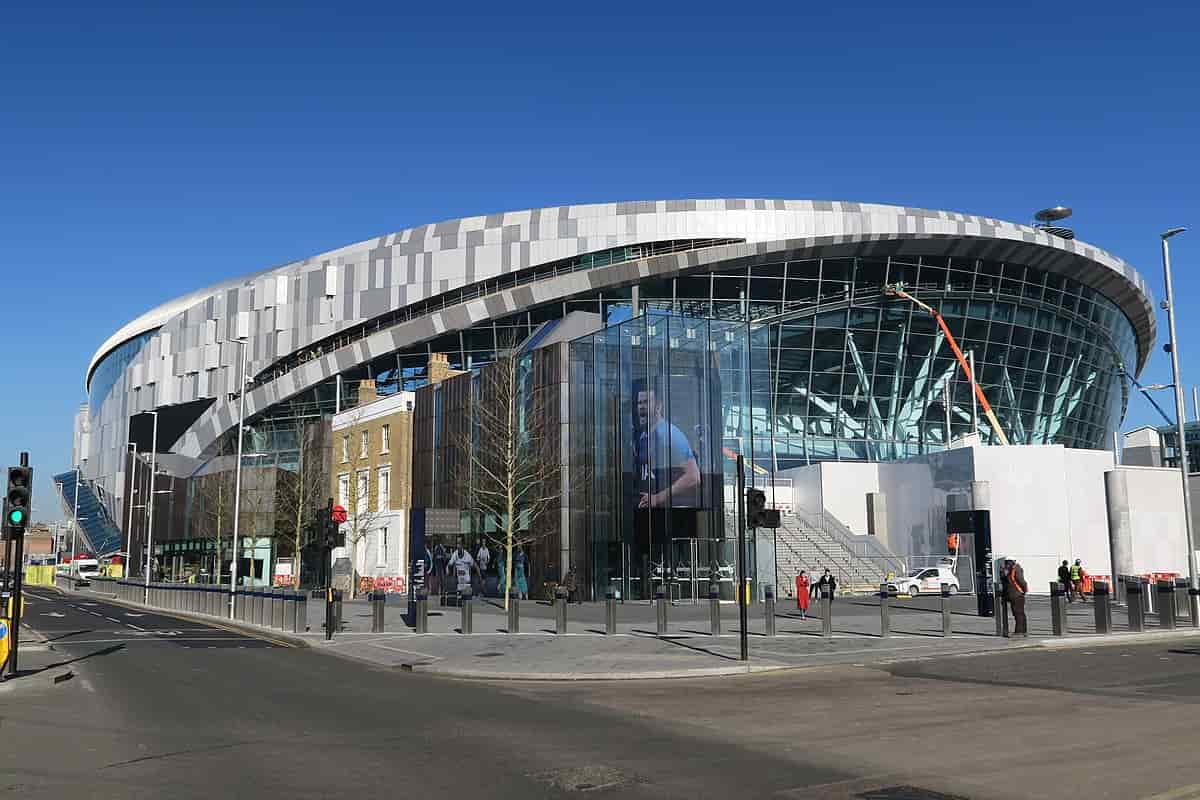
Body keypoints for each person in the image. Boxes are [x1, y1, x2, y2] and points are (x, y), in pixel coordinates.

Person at [634, 381, 701, 509]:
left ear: (658, 407)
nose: (641, 407)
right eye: (639, 403)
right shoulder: (643, 436)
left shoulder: (671, 435)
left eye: (646, 402)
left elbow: (694, 477)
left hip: (669, 514)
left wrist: (658, 498)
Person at [1002, 558, 1029, 636]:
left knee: (1018, 613)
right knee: (1019, 613)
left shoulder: (1016, 569)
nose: (1006, 564)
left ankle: (1019, 631)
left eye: (1007, 562)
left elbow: (1021, 580)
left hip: (1017, 594)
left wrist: (1024, 590)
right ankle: (1023, 631)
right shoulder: (1009, 570)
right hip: (1014, 594)